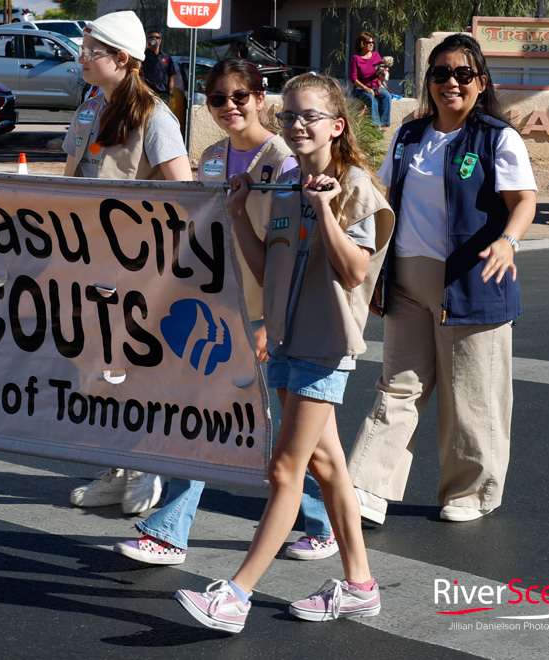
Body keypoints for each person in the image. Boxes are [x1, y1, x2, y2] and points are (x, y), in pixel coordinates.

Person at [174, 72, 394, 632]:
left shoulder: (356, 188)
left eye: (310, 117)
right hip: (287, 340)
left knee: (285, 468)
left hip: (324, 343)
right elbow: (263, 262)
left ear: (336, 126)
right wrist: (237, 208)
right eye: (291, 115)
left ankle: (236, 594)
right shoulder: (284, 185)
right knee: (327, 466)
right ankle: (361, 587)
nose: (298, 125)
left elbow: (355, 272)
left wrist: (325, 212)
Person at [113, 59, 336, 567]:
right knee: (206, 412)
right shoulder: (211, 159)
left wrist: (266, 321)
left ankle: (326, 522)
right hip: (216, 309)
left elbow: (291, 249)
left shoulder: (284, 160)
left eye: (240, 96)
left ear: (261, 98)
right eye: (217, 98)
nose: (229, 106)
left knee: (305, 430)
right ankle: (172, 529)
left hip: (269, 312)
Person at [346, 33, 537, 526]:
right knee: (398, 387)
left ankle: (469, 492)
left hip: (472, 281)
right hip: (408, 280)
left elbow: (524, 202)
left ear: (480, 82)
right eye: (440, 73)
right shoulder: (410, 137)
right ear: (428, 81)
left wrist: (508, 241)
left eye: (462, 74)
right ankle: (367, 487)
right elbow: (383, 192)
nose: (450, 82)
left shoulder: (497, 137)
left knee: (470, 396)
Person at [62, 11, 191, 514]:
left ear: (122, 58)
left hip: (137, 271)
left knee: (133, 371)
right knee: (95, 371)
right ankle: (116, 465)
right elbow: (70, 177)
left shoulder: (156, 118)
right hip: (85, 263)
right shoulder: (91, 107)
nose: (82, 59)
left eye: (91, 52)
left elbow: (184, 194)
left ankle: (144, 465)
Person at [349, 31, 391, 130]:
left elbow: (379, 73)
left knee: (387, 96)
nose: (371, 44)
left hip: (376, 86)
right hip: (360, 88)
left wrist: (383, 72)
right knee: (372, 100)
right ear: (362, 43)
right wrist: (366, 88)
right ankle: (375, 126)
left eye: (372, 42)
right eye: (369, 42)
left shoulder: (376, 55)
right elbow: (353, 78)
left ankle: (384, 124)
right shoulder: (356, 59)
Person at [142, 28, 175, 105]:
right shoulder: (143, 56)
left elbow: (171, 76)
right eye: (151, 37)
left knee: (163, 115)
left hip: (163, 94)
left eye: (156, 37)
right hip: (148, 93)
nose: (154, 39)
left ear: (160, 40)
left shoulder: (166, 57)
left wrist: (170, 93)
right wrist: (146, 46)